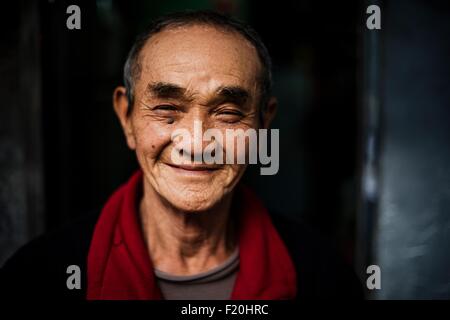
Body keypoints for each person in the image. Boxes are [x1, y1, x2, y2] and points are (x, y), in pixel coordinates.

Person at [0, 10, 363, 300]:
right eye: (166, 109)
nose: (196, 141)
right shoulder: (38, 277)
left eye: (228, 113)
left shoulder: (322, 277)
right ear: (127, 118)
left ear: (262, 123)